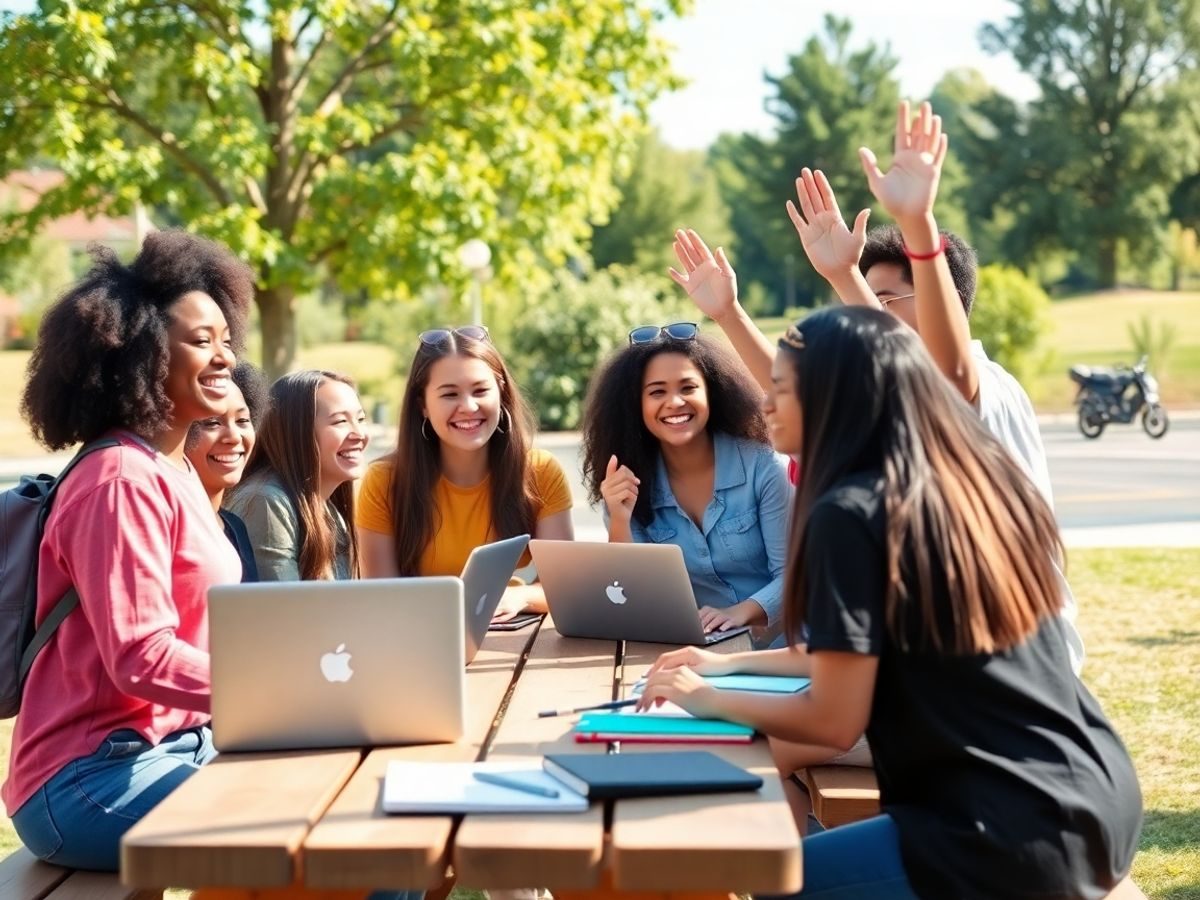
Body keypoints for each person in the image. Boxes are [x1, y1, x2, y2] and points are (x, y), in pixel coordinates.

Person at [637, 305, 1142, 900]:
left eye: (780, 389)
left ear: (833, 396)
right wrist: (726, 663)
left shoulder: (848, 514)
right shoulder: (967, 486)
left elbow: (833, 719)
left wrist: (708, 700)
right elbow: (844, 654)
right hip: (1097, 792)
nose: (764, 404)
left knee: (770, 884)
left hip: (1002, 832)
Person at [3, 230, 251, 870]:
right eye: (202, 341)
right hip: (88, 778)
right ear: (141, 352)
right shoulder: (118, 481)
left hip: (176, 746)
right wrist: (276, 688)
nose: (224, 357)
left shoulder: (178, 470)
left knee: (358, 803)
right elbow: (140, 657)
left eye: (226, 339)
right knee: (332, 836)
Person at [579, 327, 790, 637]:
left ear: (711, 392)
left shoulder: (765, 468)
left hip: (781, 647)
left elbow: (796, 576)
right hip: (691, 649)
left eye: (688, 387)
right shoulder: (624, 484)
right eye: (657, 392)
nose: (675, 402)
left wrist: (738, 613)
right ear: (635, 406)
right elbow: (632, 596)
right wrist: (620, 520)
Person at [356, 326, 573, 621]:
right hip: (419, 632)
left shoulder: (540, 471)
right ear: (423, 406)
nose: (469, 407)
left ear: (502, 393)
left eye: (481, 390)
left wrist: (519, 596)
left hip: (510, 632)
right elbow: (381, 593)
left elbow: (563, 587)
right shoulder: (383, 481)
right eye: (449, 394)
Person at [225, 370, 368, 582]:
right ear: (297, 431)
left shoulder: (329, 512)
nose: (359, 434)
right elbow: (283, 607)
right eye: (340, 422)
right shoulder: (267, 502)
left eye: (361, 419)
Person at [184, 361, 268, 581]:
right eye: (212, 423)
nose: (233, 436)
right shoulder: (172, 526)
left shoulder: (236, 527)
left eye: (242, 420)